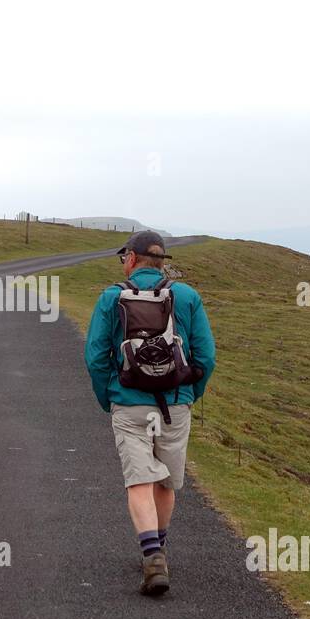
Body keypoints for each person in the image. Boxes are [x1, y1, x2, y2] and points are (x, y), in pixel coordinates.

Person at [83, 231, 216, 596]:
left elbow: (95, 358)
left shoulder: (111, 297)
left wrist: (108, 398)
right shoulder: (187, 297)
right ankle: (157, 547)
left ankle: (152, 556)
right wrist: (189, 394)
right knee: (166, 481)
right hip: (175, 402)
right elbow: (206, 357)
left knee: (138, 480)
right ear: (161, 261)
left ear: (131, 259)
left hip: (129, 402)